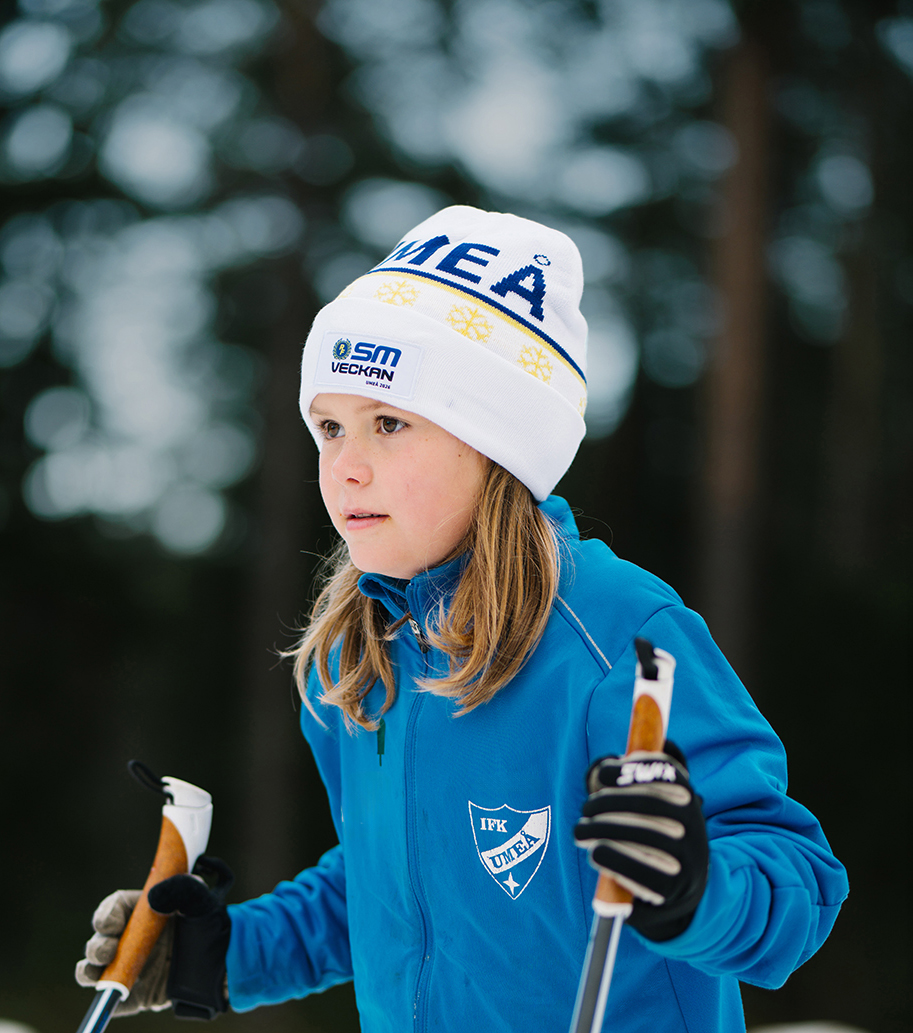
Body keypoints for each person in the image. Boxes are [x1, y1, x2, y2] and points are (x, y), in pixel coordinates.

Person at [76, 206, 848, 1031]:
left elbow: (794, 877)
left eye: (388, 423)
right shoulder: (355, 657)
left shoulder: (615, 636)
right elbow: (387, 892)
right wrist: (222, 954)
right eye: (329, 427)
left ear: (494, 443)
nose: (345, 466)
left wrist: (693, 886)